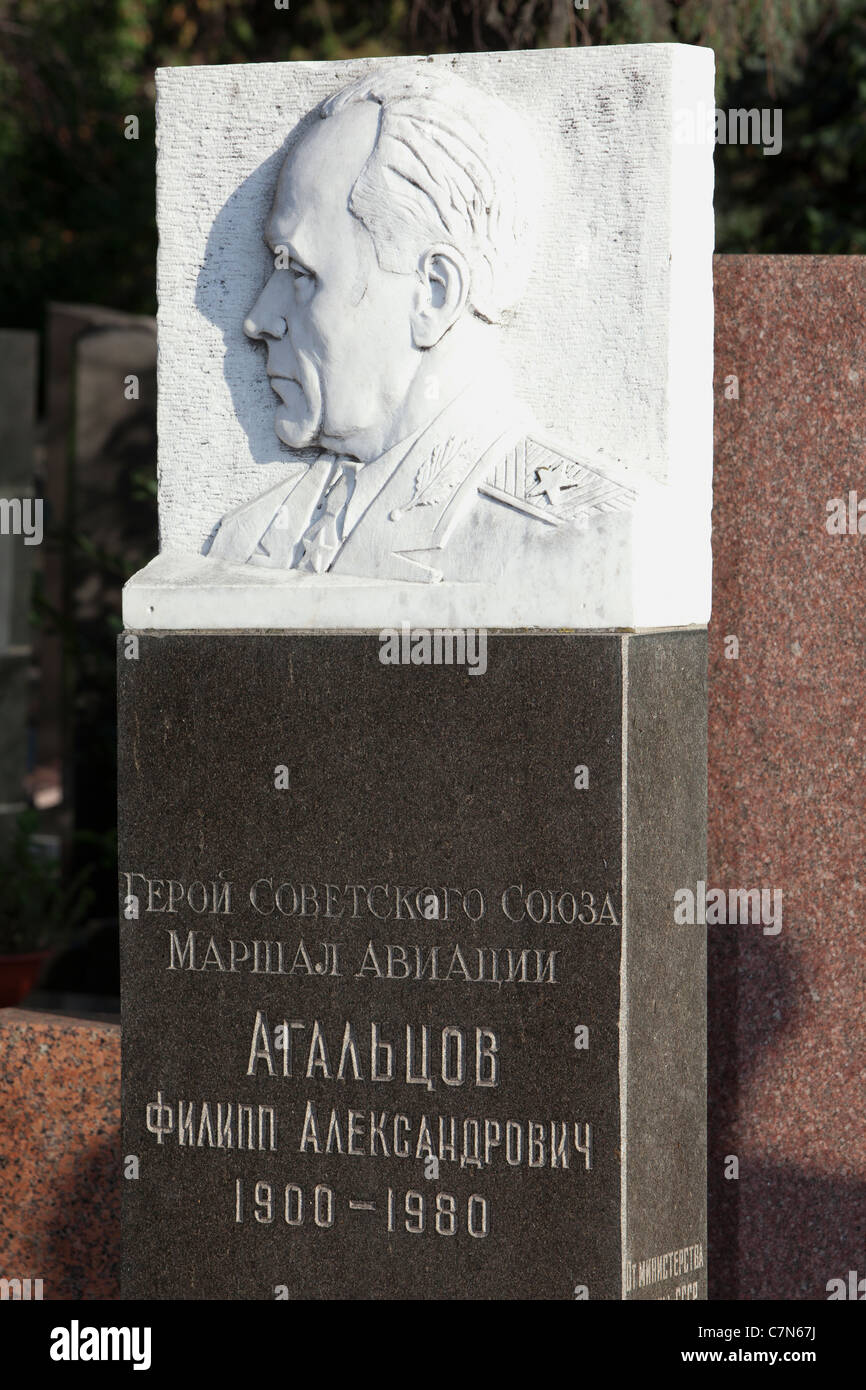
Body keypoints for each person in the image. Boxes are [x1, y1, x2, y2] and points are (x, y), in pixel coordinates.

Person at [208, 66, 634, 583]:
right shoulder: (246, 537)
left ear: (434, 293)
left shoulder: (581, 542)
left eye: (298, 271)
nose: (257, 319)